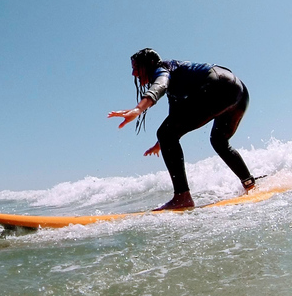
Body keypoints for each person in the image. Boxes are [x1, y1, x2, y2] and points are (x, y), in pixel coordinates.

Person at [108, 48, 256, 210]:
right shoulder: (177, 80)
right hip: (238, 91)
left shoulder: (162, 68)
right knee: (219, 141)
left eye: (136, 68)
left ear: (149, 64)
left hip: (217, 85)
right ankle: (249, 184)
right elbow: (176, 117)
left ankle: (182, 197)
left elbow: (161, 84)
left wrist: (138, 109)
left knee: (167, 133)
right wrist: (161, 143)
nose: (134, 73)